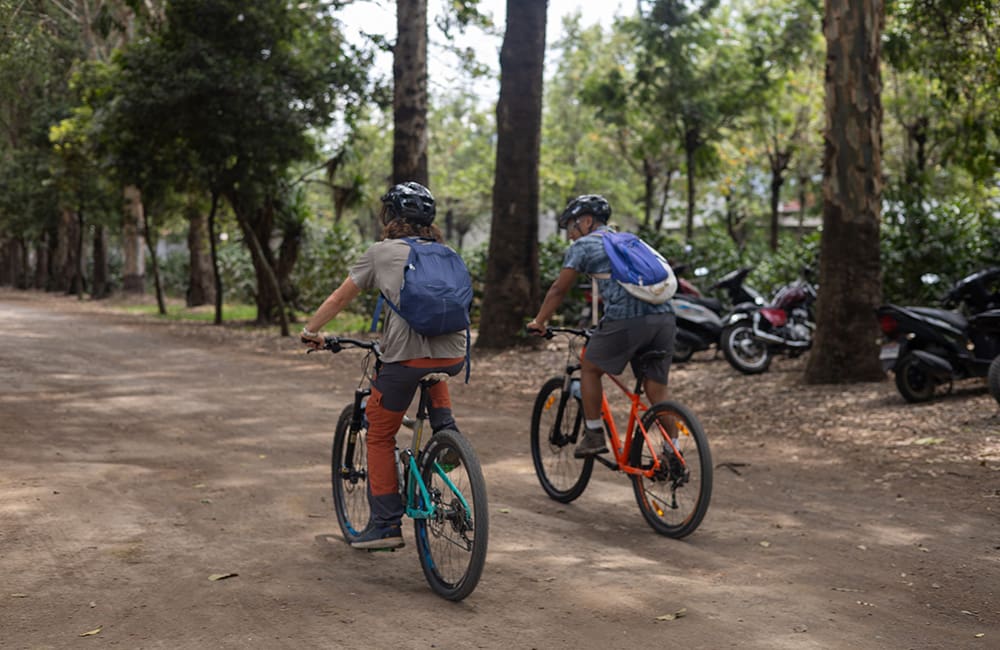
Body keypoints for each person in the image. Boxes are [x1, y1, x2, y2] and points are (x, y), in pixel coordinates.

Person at [301, 182, 466, 550]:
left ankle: (386, 524)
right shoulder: (448, 252)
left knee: (378, 432)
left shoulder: (380, 252)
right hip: (455, 355)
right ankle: (447, 429)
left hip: (404, 358)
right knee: (432, 365)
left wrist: (312, 331)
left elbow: (340, 296)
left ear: (390, 217)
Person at [526, 194, 676, 457]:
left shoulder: (584, 246)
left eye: (571, 227)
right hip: (664, 318)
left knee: (590, 368)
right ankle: (672, 452)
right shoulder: (631, 241)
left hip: (627, 319)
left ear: (586, 221)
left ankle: (594, 433)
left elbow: (559, 289)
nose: (570, 235)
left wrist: (540, 321)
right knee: (656, 388)